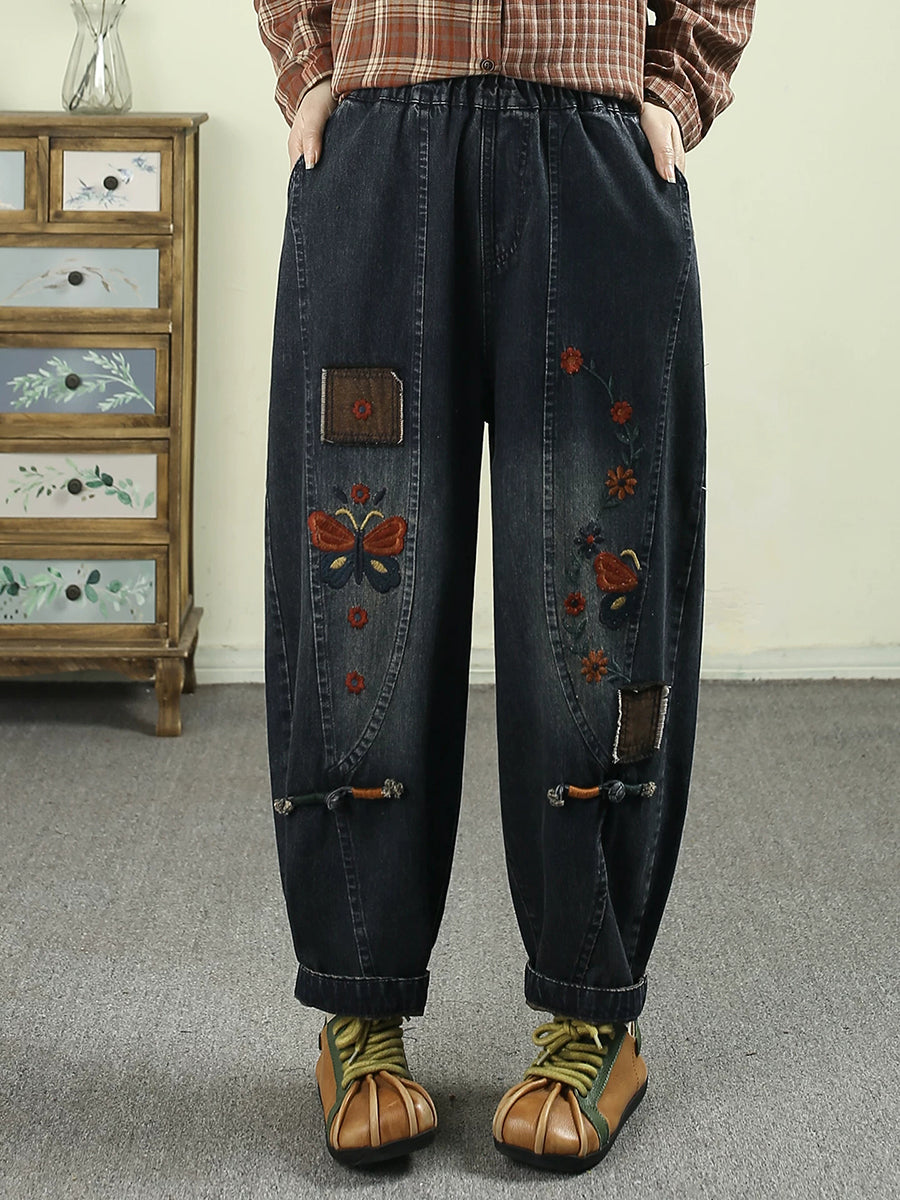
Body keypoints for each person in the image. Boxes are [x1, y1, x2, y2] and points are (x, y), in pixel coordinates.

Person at [254, 0, 756, 1175]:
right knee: (359, 585)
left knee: (598, 595)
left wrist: (674, 87)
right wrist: (312, 65)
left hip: (590, 149)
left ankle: (593, 1017)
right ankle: (359, 1011)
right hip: (379, 152)